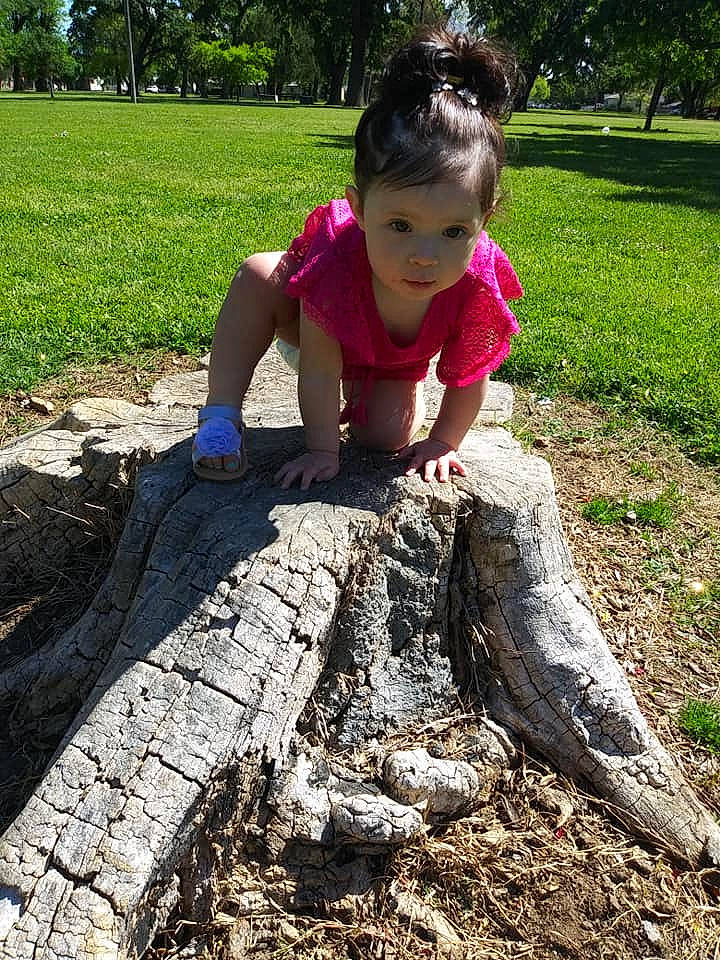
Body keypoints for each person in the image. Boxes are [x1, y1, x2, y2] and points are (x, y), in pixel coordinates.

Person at [192, 26, 522, 490]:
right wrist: (322, 451)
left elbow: (470, 377)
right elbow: (320, 370)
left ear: (483, 221)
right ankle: (221, 415)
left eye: (453, 232)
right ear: (362, 209)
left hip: (390, 360)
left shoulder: (476, 281)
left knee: (383, 436)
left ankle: (391, 392)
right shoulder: (339, 259)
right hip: (312, 332)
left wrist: (445, 442)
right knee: (258, 275)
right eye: (401, 226)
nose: (424, 256)